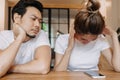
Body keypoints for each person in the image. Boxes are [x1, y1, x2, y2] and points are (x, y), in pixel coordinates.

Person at [54, 0, 120, 72]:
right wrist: (69, 47)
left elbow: (118, 68)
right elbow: (58, 72)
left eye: (93, 39)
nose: (88, 42)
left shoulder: (100, 39)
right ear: (74, 31)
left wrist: (114, 35)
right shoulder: (62, 40)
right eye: (83, 39)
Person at [0, 0, 51, 77]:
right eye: (33, 19)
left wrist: (8, 68)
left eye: (40, 21)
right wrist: (20, 38)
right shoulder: (3, 36)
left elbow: (43, 67)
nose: (38, 25)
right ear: (17, 18)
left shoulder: (41, 34)